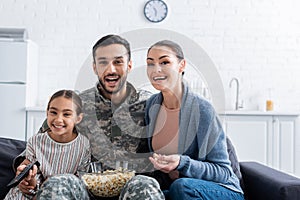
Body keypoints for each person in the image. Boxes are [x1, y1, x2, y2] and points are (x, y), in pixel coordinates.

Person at [15, 35, 164, 199]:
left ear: (129, 65)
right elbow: (40, 144)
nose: (111, 69)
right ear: (94, 67)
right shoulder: (77, 104)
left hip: (131, 188)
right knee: (57, 184)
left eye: (118, 62)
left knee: (145, 185)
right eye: (103, 62)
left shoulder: (149, 103)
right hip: (85, 190)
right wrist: (26, 171)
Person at [143, 40, 244, 199]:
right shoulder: (151, 106)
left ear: (181, 65)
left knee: (182, 187)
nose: (156, 69)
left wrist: (182, 163)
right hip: (180, 189)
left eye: (165, 62)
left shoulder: (202, 109)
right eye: (150, 63)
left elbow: (223, 172)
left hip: (222, 190)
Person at [5, 89, 90, 200]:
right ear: (47, 113)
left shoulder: (84, 145)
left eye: (66, 114)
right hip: (33, 193)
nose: (58, 119)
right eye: (53, 112)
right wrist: (31, 182)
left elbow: (80, 184)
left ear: (78, 118)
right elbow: (33, 181)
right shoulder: (35, 142)